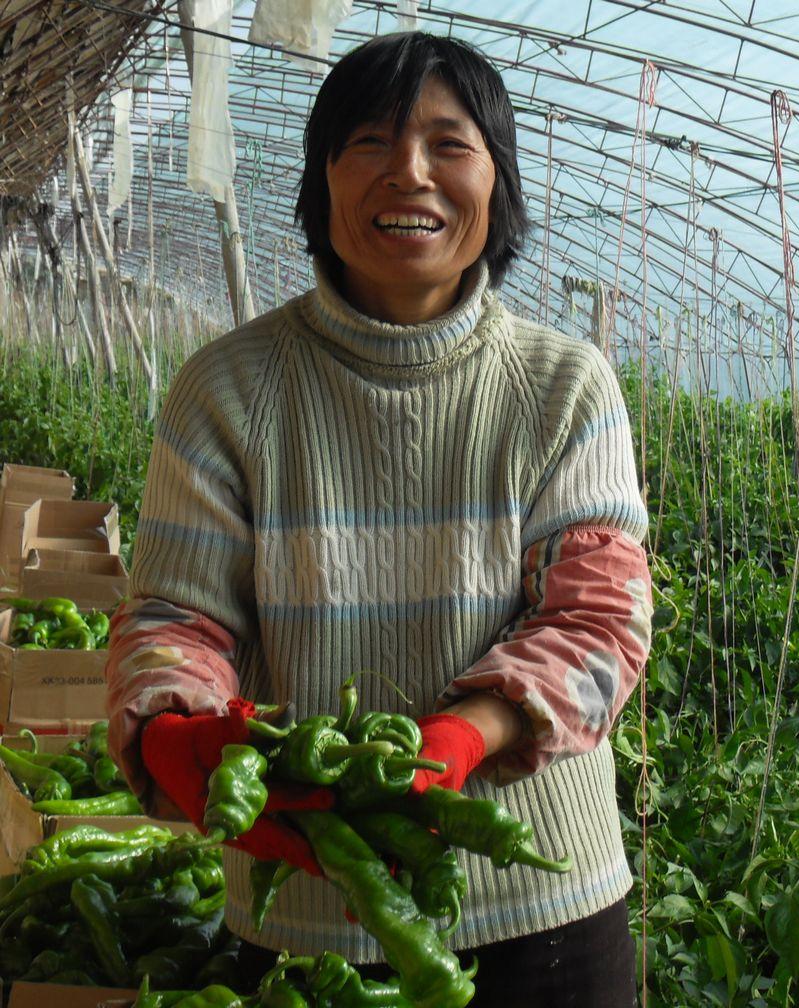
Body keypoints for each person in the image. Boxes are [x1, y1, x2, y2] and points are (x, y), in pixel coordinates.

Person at [105, 31, 652, 1007]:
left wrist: (463, 735)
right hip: (313, 908)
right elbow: (175, 618)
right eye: (368, 142)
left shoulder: (562, 386)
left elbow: (596, 618)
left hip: (542, 908)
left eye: (449, 144)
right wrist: (173, 727)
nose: (409, 171)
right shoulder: (228, 391)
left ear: (497, 181)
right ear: (321, 183)